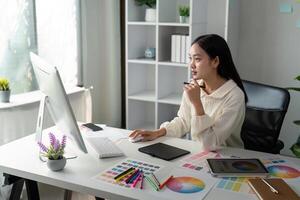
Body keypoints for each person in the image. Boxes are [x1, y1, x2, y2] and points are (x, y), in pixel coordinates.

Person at [129, 34, 247, 150]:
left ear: (215, 61)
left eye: (197, 59)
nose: (191, 65)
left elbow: (210, 143)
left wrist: (197, 103)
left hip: (228, 157)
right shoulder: (194, 86)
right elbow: (183, 121)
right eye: (190, 58)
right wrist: (158, 132)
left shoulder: (235, 96)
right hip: (198, 152)